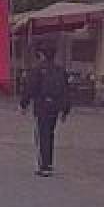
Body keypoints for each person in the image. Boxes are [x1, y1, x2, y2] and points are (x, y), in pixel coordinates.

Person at [18, 43, 70, 177]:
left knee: (42, 135)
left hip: (42, 106)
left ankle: (44, 165)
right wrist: (65, 110)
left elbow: (30, 88)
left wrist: (23, 104)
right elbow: (66, 91)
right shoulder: (60, 70)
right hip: (55, 107)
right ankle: (49, 163)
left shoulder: (37, 70)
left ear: (41, 54)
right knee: (50, 134)